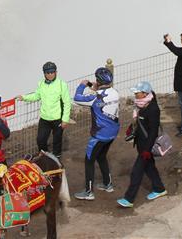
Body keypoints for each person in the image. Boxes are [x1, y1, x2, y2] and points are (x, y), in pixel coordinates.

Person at [72, 67, 120, 200]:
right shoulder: (115, 92)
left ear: (98, 81)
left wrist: (82, 86)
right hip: (113, 132)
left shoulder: (95, 97)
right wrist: (97, 88)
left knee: (89, 160)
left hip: (99, 135)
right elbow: (103, 98)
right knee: (102, 156)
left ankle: (88, 192)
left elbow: (77, 98)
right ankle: (108, 184)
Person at [117, 82, 166, 208]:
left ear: (145, 93)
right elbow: (139, 123)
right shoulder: (140, 105)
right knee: (150, 168)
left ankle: (129, 199)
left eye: (137, 93)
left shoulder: (153, 109)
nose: (135, 94)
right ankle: (159, 189)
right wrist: (131, 129)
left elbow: (153, 131)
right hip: (141, 144)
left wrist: (147, 150)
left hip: (146, 147)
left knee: (136, 172)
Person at [16, 61, 72, 159]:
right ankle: (45, 157)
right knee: (40, 140)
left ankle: (57, 159)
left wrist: (65, 119)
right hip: (44, 118)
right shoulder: (41, 83)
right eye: (48, 73)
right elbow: (37, 95)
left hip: (57, 118)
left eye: (52, 72)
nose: (50, 75)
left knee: (57, 140)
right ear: (44, 73)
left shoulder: (62, 84)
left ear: (56, 72)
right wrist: (24, 97)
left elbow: (67, 103)